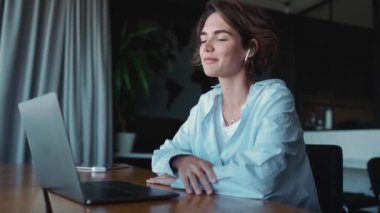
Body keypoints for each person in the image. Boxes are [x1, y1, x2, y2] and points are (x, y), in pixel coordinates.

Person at [146, 0, 321, 211]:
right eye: (203, 40)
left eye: (221, 38)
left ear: (249, 48)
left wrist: (179, 181)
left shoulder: (274, 97)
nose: (207, 47)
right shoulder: (206, 103)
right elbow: (162, 154)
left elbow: (260, 179)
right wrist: (180, 160)